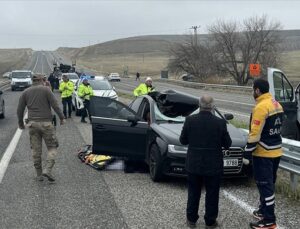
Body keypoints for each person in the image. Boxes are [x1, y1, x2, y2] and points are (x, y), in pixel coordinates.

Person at [180, 95, 232, 228]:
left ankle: (191, 219)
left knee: (193, 192)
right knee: (212, 194)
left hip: (194, 163)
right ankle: (210, 221)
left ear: (199, 105)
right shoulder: (220, 123)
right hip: (213, 164)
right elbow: (227, 144)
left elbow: (183, 140)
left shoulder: (190, 120)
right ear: (212, 106)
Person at [246, 79, 283, 229]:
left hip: (263, 153)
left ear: (257, 90)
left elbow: (255, 134)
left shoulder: (261, 107)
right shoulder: (276, 104)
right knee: (269, 184)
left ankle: (269, 220)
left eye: (253, 90)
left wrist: (246, 153)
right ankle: (262, 211)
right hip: (276, 151)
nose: (253, 92)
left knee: (265, 186)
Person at [17, 73, 65, 182]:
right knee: (52, 147)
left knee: (36, 150)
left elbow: (19, 110)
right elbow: (55, 105)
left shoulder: (25, 92)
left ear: (33, 80)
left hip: (33, 124)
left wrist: (20, 122)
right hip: (46, 124)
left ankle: (39, 175)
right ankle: (47, 170)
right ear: (41, 80)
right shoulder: (46, 90)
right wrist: (62, 117)